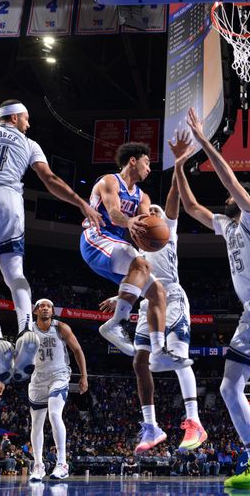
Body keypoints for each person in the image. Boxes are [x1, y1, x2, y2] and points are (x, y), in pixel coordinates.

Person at [170, 107, 250, 489]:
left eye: (231, 194)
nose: (225, 196)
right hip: (249, 312)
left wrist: (205, 142)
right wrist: (179, 165)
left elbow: (232, 180)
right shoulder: (226, 226)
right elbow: (191, 208)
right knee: (228, 386)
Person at [0, 99, 102, 384]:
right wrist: (80, 203)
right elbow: (49, 178)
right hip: (11, 201)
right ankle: (25, 330)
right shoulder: (31, 144)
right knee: (15, 273)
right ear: (13, 118)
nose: (28, 123)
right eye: (26, 118)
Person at [98, 170, 207, 454]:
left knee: (177, 354)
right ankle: (151, 426)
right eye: (150, 212)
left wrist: (178, 168)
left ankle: (194, 420)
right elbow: (137, 278)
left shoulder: (167, 231)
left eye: (156, 212)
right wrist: (118, 295)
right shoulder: (139, 249)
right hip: (149, 302)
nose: (153, 214)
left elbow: (173, 197)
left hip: (172, 296)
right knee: (139, 363)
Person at [80, 141, 192, 374]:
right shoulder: (110, 181)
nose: (149, 168)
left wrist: (151, 227)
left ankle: (159, 353)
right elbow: (112, 213)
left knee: (157, 292)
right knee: (140, 263)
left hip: (117, 249)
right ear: (133, 160)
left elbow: (145, 225)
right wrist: (129, 221)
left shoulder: (144, 197)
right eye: (147, 162)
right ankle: (116, 323)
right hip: (96, 239)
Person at [0, 298, 88, 482]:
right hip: (37, 378)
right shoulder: (28, 331)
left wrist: (84, 376)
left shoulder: (61, 327)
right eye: (41, 306)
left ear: (52, 311)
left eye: (49, 306)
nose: (45, 308)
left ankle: (62, 463)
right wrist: (2, 381)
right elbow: (15, 357)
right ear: (35, 311)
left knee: (54, 414)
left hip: (59, 375)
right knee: (36, 423)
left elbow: (77, 350)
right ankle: (38, 465)